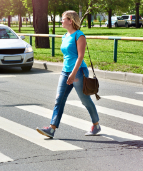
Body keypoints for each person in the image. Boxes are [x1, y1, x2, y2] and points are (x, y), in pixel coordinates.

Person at [36, 10, 101, 138]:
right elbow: (67, 56)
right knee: (59, 99)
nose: (61, 21)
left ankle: (96, 124)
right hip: (65, 72)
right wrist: (67, 72)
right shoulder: (64, 36)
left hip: (78, 72)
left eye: (63, 18)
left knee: (85, 100)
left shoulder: (79, 35)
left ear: (70, 21)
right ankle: (52, 128)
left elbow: (80, 57)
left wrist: (73, 73)